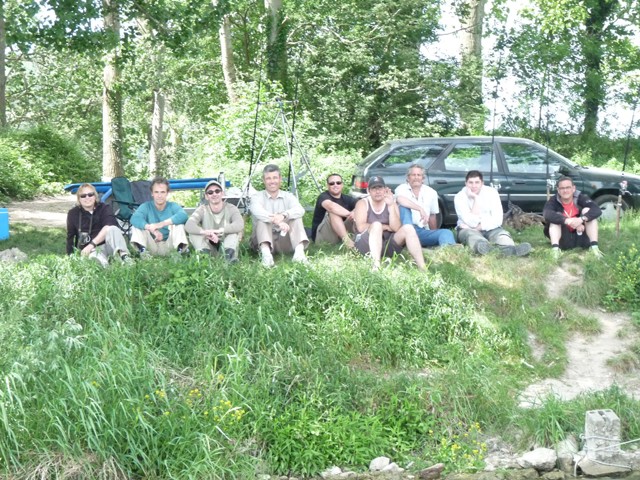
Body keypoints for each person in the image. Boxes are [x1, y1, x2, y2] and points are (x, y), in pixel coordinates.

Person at [353, 176, 426, 271]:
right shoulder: (362, 203)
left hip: (387, 244)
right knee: (376, 225)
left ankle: (423, 267)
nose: (378, 191)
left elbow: (396, 228)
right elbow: (361, 227)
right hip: (366, 245)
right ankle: (376, 266)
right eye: (374, 188)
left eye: (380, 188)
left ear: (385, 189)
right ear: (368, 191)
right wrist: (385, 227)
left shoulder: (391, 203)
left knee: (408, 228)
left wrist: (391, 205)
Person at [454, 170, 532, 256]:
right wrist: (476, 199)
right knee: (473, 237)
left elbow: (498, 219)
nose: (474, 186)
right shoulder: (459, 197)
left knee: (503, 235)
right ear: (466, 183)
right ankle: (492, 250)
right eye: (470, 183)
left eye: (477, 182)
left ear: (482, 183)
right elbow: (471, 222)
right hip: (468, 230)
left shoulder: (492, 193)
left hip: (490, 227)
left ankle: (509, 248)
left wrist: (480, 226)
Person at [249, 164, 309, 267]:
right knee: (263, 220)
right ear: (264, 180)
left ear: (280, 179)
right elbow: (257, 211)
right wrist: (278, 221)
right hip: (262, 241)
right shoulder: (256, 197)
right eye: (268, 178)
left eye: (275, 178)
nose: (272, 181)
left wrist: (284, 215)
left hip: (283, 239)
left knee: (296, 217)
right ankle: (266, 257)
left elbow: (300, 210)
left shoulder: (288, 196)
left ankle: (299, 254)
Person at [66, 183, 132, 266]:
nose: (87, 198)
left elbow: (108, 226)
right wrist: (70, 257)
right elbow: (70, 237)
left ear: (95, 196)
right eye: (83, 196)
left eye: (90, 194)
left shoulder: (104, 208)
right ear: (79, 199)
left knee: (113, 229)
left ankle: (124, 257)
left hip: (108, 245)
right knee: (95, 260)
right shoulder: (73, 213)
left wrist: (91, 244)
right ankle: (107, 265)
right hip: (92, 250)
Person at [394, 164, 456, 248]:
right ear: (408, 178)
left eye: (419, 175)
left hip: (421, 231)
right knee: (404, 208)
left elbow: (432, 216)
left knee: (446, 233)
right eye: (413, 175)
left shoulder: (431, 192)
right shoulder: (401, 188)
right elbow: (400, 200)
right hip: (403, 231)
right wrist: (420, 209)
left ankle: (448, 253)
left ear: (423, 178)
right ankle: (409, 240)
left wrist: (434, 233)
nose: (416, 177)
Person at [185, 179, 244, 262]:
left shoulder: (231, 208)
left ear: (222, 193)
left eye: (217, 191)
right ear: (206, 196)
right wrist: (206, 232)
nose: (214, 194)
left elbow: (239, 224)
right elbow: (189, 225)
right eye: (210, 192)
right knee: (193, 234)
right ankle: (205, 258)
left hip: (225, 244)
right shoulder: (202, 209)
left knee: (234, 233)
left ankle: (228, 259)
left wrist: (219, 231)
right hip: (209, 244)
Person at [543, 176, 603, 257]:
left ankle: (594, 247)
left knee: (587, 210)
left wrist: (581, 219)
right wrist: (568, 221)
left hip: (581, 235)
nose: (565, 190)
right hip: (563, 238)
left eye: (568, 187)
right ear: (558, 190)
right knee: (556, 217)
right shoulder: (553, 200)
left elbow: (597, 210)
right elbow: (547, 214)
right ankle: (555, 250)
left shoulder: (581, 197)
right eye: (562, 188)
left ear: (573, 188)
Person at [130, 177, 189, 256]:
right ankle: (143, 253)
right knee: (137, 226)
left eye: (162, 192)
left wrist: (161, 224)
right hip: (152, 245)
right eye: (156, 192)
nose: (159, 195)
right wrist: (152, 229)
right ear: (152, 193)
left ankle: (178, 254)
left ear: (167, 193)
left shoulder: (172, 206)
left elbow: (183, 216)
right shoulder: (146, 206)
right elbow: (134, 218)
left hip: (169, 245)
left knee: (179, 225)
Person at [310, 173, 357, 248]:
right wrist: (350, 214)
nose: (335, 185)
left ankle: (361, 238)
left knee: (358, 211)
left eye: (338, 183)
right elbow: (331, 207)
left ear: (342, 185)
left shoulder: (347, 198)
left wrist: (355, 212)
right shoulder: (323, 196)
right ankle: (347, 242)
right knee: (333, 212)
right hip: (322, 235)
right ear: (327, 186)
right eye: (332, 183)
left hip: (340, 232)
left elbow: (360, 205)